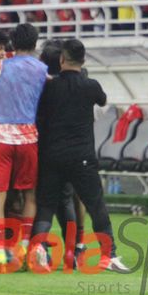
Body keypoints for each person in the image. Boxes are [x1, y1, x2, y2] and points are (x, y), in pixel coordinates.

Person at [35, 39, 129, 273]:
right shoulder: (91, 86)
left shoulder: (49, 87)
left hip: (52, 154)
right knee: (95, 205)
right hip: (81, 157)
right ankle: (109, 256)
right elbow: (103, 100)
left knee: (46, 205)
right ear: (84, 60)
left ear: (61, 59)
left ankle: (38, 247)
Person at [0, 23, 47, 270]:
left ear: (12, 43)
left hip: (1, 137)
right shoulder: (42, 69)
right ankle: (25, 245)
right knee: (29, 194)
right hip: (28, 137)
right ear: (35, 42)